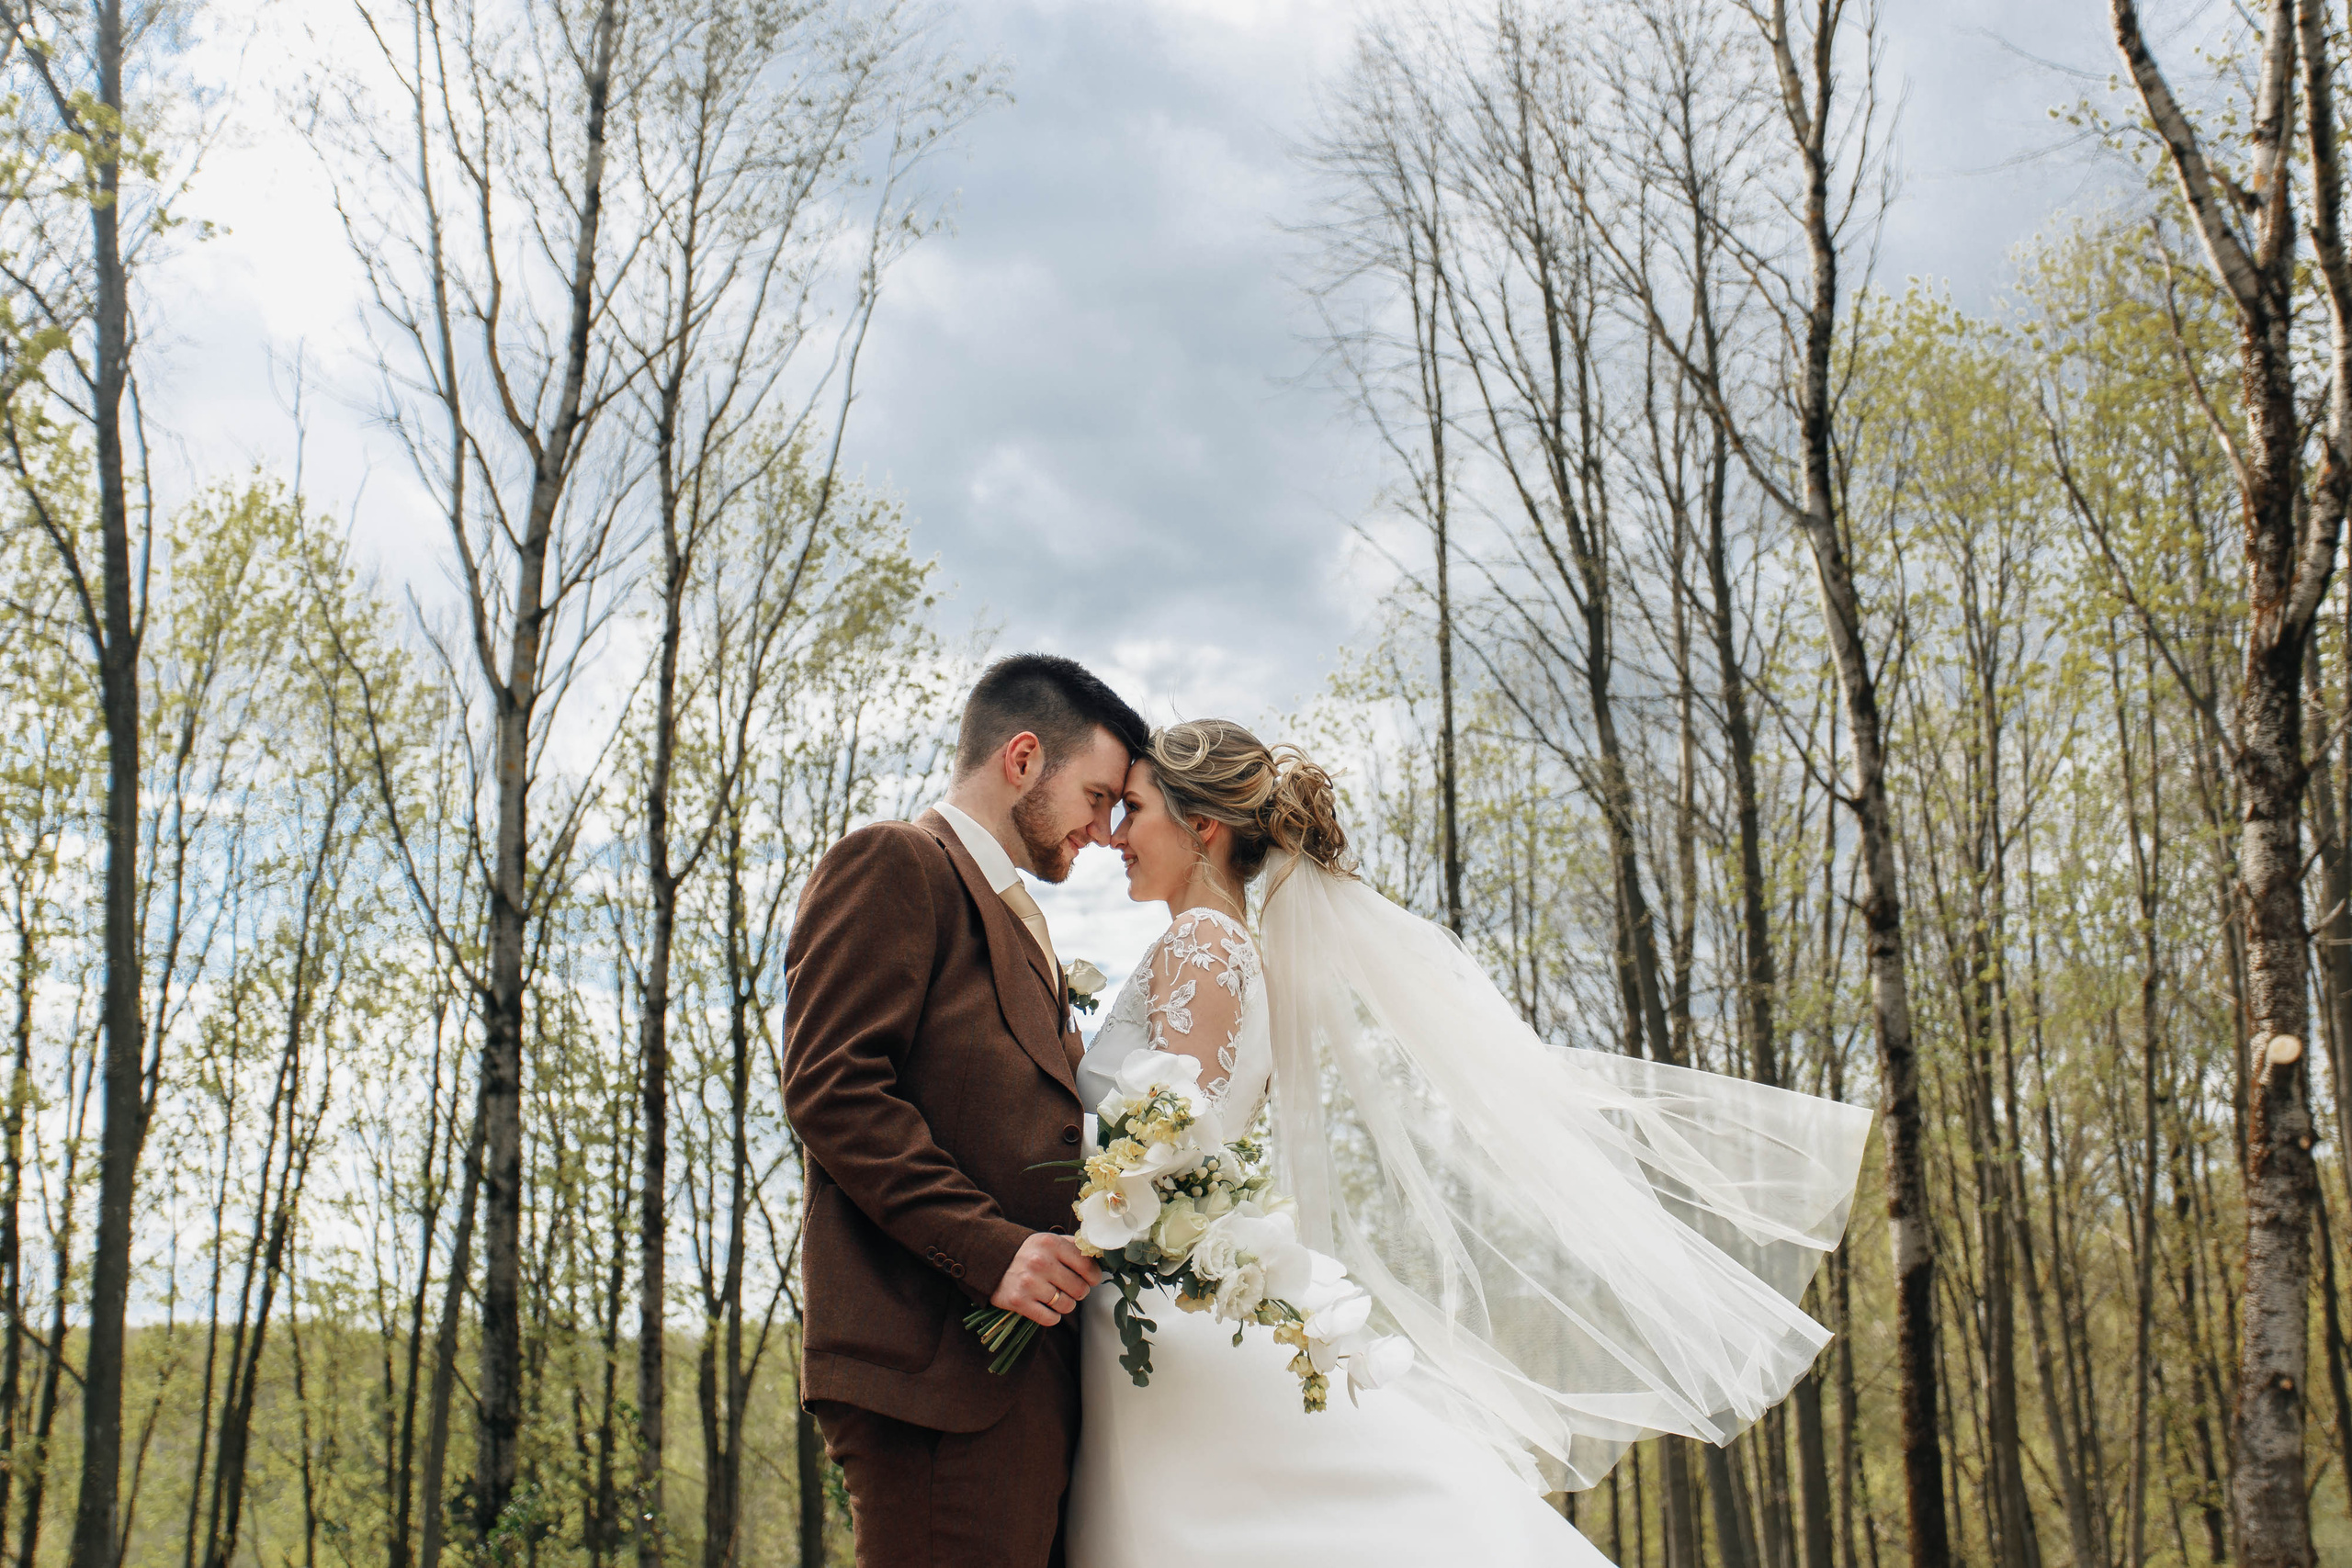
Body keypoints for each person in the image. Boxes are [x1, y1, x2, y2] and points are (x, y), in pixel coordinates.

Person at [1066, 720, 1874, 1565]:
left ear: (1203, 827)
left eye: (1132, 809)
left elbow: (1166, 1145)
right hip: (1153, 1280)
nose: (1115, 836)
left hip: (1150, 1294)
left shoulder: (1201, 941)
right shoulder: (1240, 949)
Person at [782, 653, 1148, 1568]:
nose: (1104, 831)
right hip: (934, 1372)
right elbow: (833, 1087)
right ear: (1023, 758)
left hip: (1023, 1373)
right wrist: (990, 1249)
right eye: (1097, 797)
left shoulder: (1017, 913)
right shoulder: (894, 862)